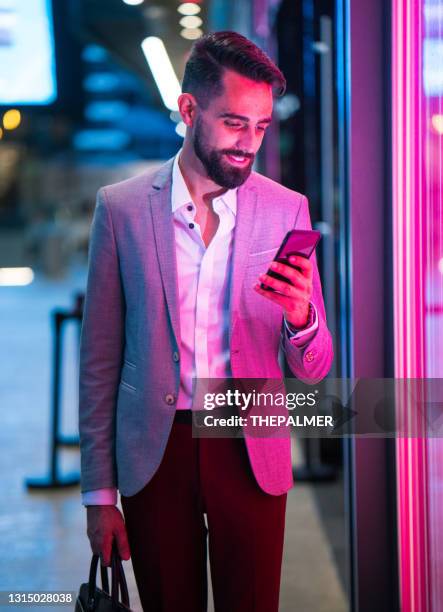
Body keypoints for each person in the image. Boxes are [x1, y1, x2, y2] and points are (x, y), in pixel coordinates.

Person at [79, 30, 333, 612]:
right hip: (154, 449)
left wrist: (301, 319)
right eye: (234, 123)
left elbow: (315, 369)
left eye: (262, 126)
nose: (250, 143)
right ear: (189, 109)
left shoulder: (285, 209)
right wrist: (99, 496)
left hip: (249, 444)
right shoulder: (120, 209)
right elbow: (99, 361)